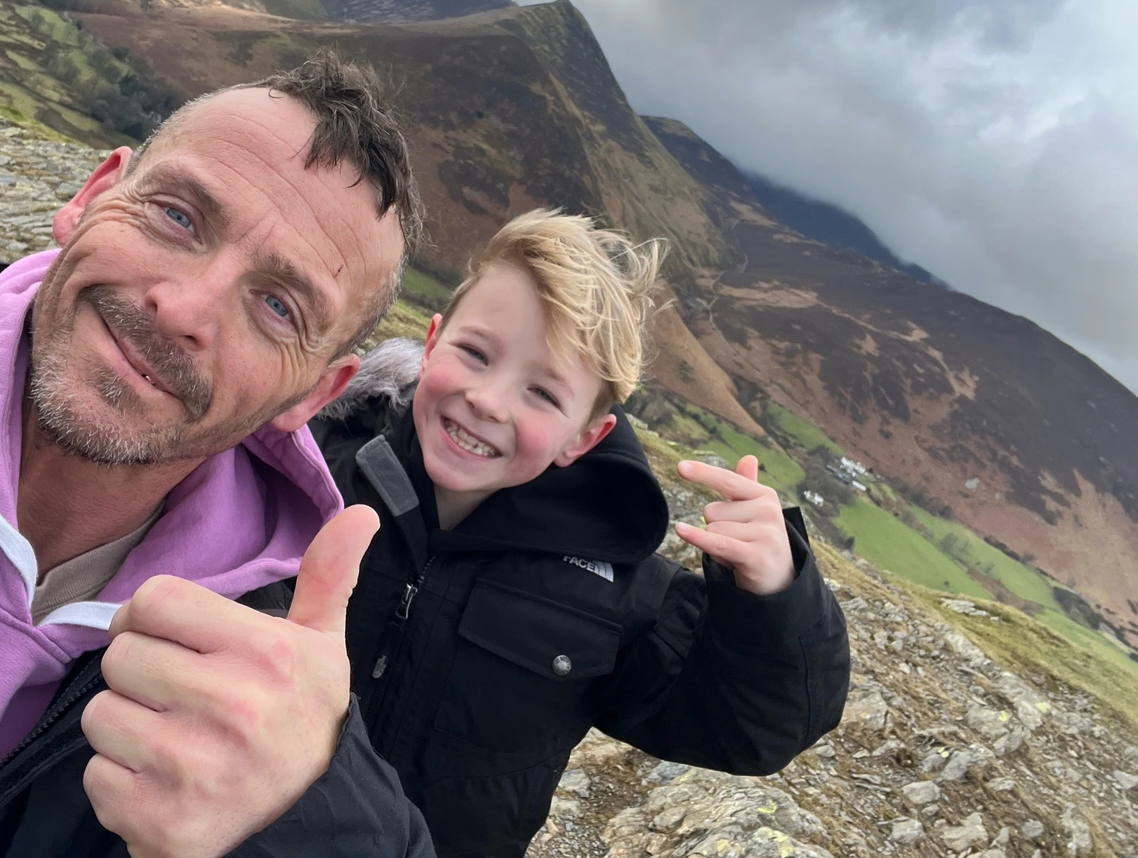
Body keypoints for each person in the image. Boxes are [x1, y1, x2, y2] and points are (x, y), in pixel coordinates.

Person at [0, 54, 436, 858]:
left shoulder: (269, 688)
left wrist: (297, 812)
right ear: (91, 196)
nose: (183, 309)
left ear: (315, 394)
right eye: (178, 216)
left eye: (276, 305)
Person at [311, 209, 851, 858]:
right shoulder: (315, 467)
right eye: (475, 353)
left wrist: (778, 594)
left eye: (542, 393)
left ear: (585, 437)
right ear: (431, 343)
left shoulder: (616, 587)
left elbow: (757, 728)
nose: (489, 400)